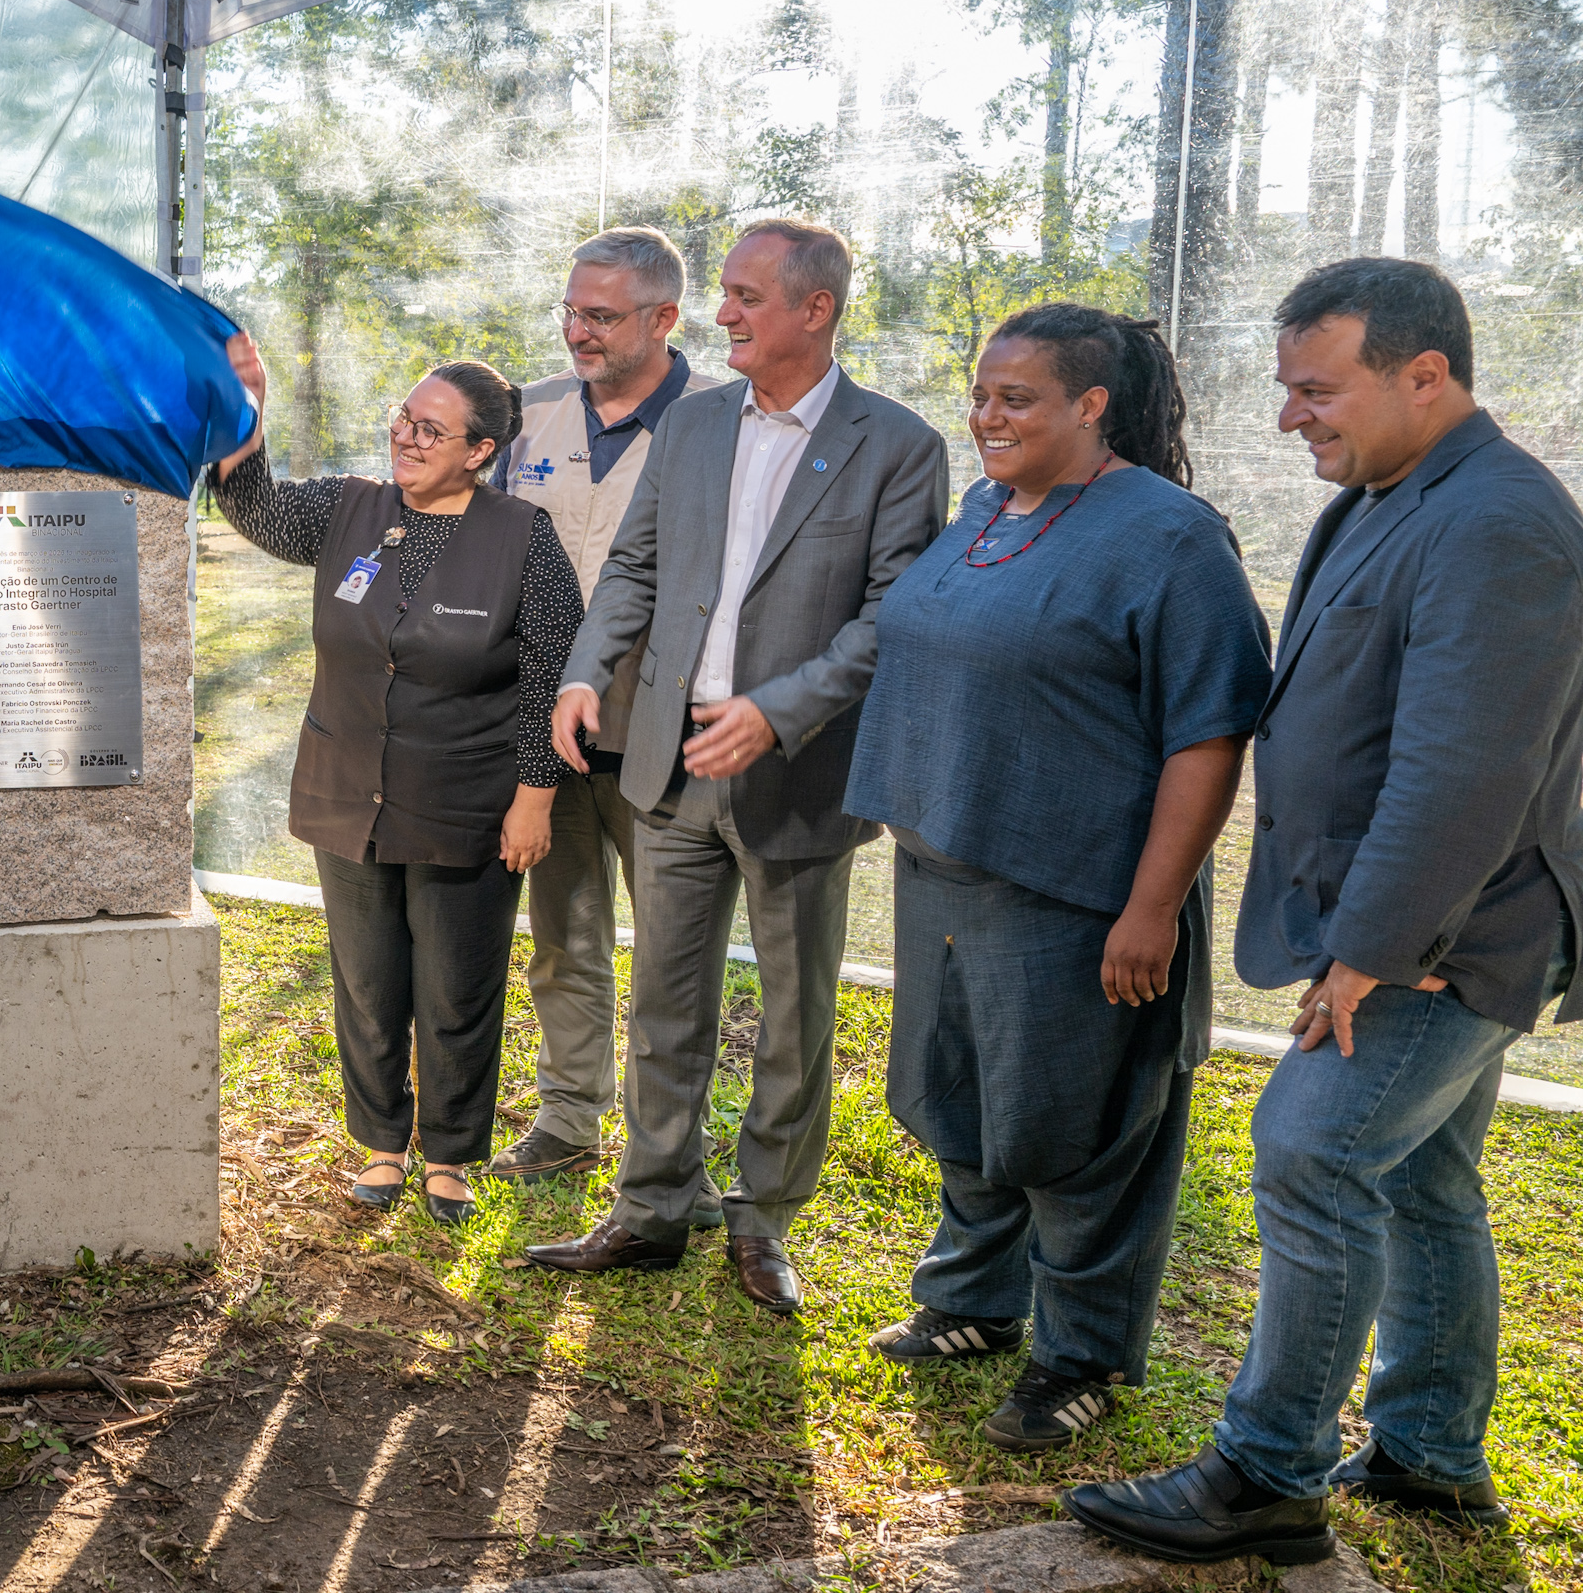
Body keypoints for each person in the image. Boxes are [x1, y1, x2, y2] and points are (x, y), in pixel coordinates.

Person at [1067, 259, 1583, 1564]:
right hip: (1415, 922)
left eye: (1317, 389)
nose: (1289, 415)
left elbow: (1466, 771)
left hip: (1447, 937)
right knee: (1425, 1175)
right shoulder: (1390, 490)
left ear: (1426, 376)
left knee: (1311, 1149)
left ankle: (1267, 1472)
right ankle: (1431, 1454)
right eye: (1287, 386)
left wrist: (1369, 951)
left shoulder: (1499, 522)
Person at [844, 304, 1269, 1451]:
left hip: (1077, 889)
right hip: (946, 866)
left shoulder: (1171, 536)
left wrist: (1151, 907)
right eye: (981, 392)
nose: (987, 415)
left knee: (1080, 1129)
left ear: (1092, 403)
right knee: (962, 1098)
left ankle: (1082, 1353)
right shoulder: (989, 507)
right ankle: (974, 1299)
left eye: (1016, 397)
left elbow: (1209, 734)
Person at [526, 219, 946, 1314]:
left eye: (747, 296)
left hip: (795, 773)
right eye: (724, 293)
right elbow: (635, 563)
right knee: (665, 1001)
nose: (724, 315)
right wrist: (584, 672)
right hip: (667, 762)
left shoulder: (899, 445)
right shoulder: (698, 421)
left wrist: (779, 711)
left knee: (796, 1018)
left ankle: (763, 1221)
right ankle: (654, 1205)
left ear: (816, 308)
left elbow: (893, 614)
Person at [213, 339, 582, 1227]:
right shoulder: (349, 509)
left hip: (465, 803)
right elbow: (256, 507)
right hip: (347, 792)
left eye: (431, 430)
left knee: (457, 989)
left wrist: (534, 797)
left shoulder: (521, 537)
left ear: (481, 450)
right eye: (403, 420)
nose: (406, 439)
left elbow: (550, 671)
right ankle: (383, 1142)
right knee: (369, 984)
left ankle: (450, 1154)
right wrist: (246, 410)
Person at [488, 226, 710, 1185]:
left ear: (665, 319)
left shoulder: (721, 420)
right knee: (564, 932)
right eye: (571, 311)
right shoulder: (526, 414)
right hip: (545, 733)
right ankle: (570, 1116)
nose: (578, 331)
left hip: (666, 734)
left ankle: (673, 1149)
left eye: (603, 317)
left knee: (674, 954)